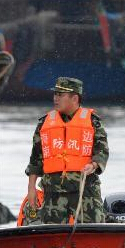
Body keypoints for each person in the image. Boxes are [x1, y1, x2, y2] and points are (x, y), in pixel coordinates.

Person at [24, 77, 109, 224]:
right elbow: (35, 159)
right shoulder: (44, 123)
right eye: (55, 94)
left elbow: (102, 151)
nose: (55, 99)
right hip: (53, 192)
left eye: (60, 95)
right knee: (52, 236)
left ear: (74, 98)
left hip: (85, 190)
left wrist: (93, 165)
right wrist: (31, 189)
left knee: (91, 232)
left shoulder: (93, 121)